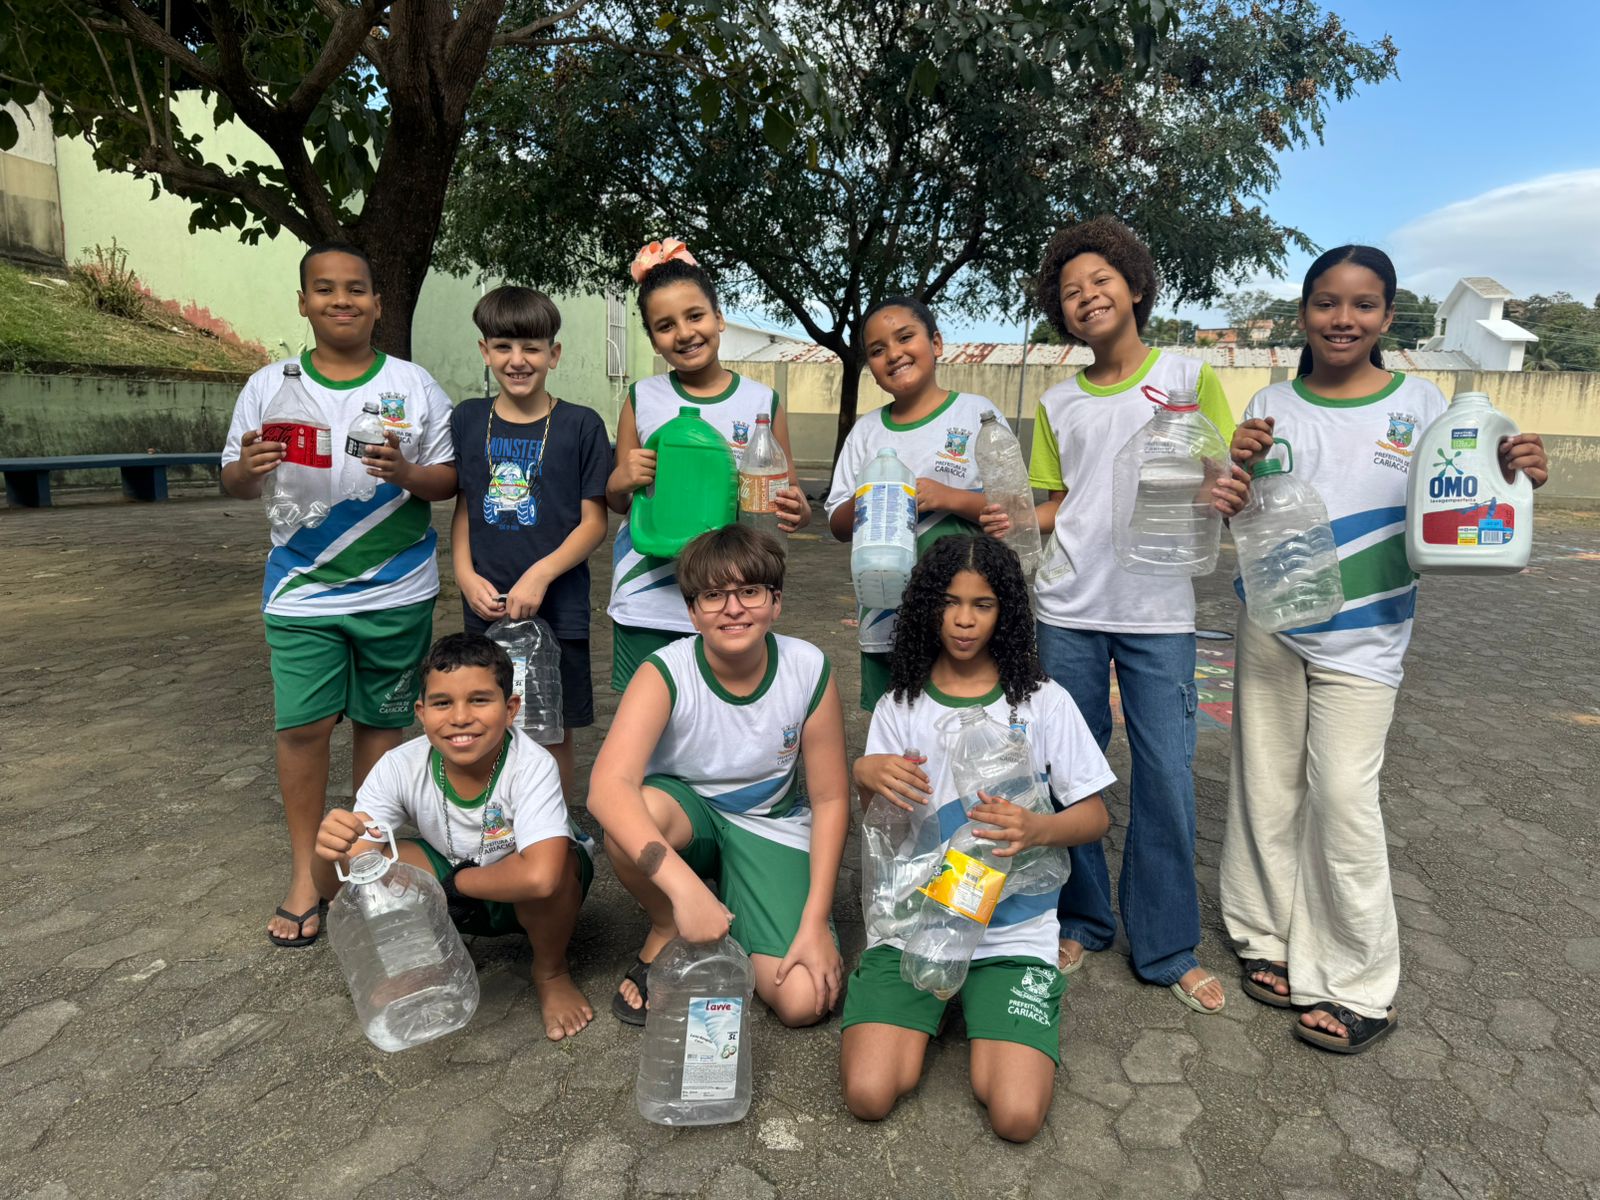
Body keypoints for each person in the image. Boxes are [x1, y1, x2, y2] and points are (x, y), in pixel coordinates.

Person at [1220, 245, 1548, 1053]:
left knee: (1342, 800)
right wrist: (1233, 478)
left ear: (1387, 317)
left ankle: (1362, 983)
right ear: (1303, 314)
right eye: (1326, 303)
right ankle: (1266, 935)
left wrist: (1516, 474)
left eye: (1362, 305)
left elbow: (1465, 497)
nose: (1343, 319)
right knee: (1265, 789)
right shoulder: (1269, 402)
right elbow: (1249, 517)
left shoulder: (1427, 402)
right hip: (1272, 627)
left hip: (1366, 642)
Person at [1026, 216, 1245, 1012]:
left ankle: (1166, 945)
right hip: (1068, 608)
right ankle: (1081, 921)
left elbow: (1221, 479)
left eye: (1100, 282)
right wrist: (1009, 515)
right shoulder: (1058, 401)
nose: (1086, 297)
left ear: (1136, 286)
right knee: (1066, 773)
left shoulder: (1188, 375)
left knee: (1164, 776)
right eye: (1070, 291)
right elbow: (1056, 507)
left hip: (1159, 612)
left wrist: (1229, 491)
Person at [221, 242, 457, 950]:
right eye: (324, 289)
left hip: (397, 588)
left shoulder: (415, 385)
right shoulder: (271, 385)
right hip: (301, 591)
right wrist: (249, 468)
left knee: (382, 731)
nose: (341, 300)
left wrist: (410, 472)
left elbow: (448, 480)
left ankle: (362, 863)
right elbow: (231, 477)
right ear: (303, 301)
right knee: (303, 729)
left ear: (379, 303)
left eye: (356, 289)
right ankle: (304, 873)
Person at [840, 536, 1113, 1142]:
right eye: (950, 602)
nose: (964, 620)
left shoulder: (1041, 701)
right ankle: (929, 1005)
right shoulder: (900, 705)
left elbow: (1095, 817)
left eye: (983, 604)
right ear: (925, 609)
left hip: (1013, 931)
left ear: (1006, 612)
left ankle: (991, 997)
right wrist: (864, 774)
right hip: (918, 924)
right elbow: (883, 830)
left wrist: (1039, 826)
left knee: (1016, 1116)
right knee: (869, 1093)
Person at [588, 524, 847, 1027]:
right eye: (713, 596)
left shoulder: (808, 666)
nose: (733, 608)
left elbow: (833, 800)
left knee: (802, 1002)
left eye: (750, 591)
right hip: (690, 816)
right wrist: (683, 893)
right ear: (691, 611)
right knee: (630, 814)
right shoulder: (664, 671)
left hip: (769, 824)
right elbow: (605, 787)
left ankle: (731, 900)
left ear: (776, 602)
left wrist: (814, 921)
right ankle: (667, 925)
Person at [312, 633, 595, 1040]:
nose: (460, 717)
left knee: (557, 869)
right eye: (443, 703)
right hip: (459, 879)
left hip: (519, 884)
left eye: (479, 700)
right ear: (422, 713)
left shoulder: (533, 765)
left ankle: (551, 972)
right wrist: (327, 854)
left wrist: (453, 885)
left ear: (511, 708)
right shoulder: (397, 766)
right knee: (377, 869)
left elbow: (541, 877)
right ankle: (428, 965)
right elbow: (343, 888)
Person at [605, 239, 811, 691]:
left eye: (695, 316)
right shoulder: (642, 398)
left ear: (719, 319)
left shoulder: (761, 401)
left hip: (732, 599)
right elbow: (621, 499)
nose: (683, 333)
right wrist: (622, 478)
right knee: (645, 716)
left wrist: (797, 509)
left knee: (725, 710)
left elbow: (785, 492)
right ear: (653, 338)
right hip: (648, 597)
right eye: (665, 325)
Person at [449, 286, 610, 803]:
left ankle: (555, 830)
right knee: (485, 717)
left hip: (558, 609)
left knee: (551, 727)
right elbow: (465, 506)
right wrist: (464, 574)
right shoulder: (469, 419)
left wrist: (540, 575)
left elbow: (593, 523)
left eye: (532, 348)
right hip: (486, 607)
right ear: (484, 351)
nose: (517, 361)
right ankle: (495, 823)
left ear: (553, 354)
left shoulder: (581, 424)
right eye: (502, 347)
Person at [824, 296, 1009, 712]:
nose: (893, 354)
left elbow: (1009, 508)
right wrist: (873, 497)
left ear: (937, 343)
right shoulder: (866, 432)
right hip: (885, 607)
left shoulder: (976, 415)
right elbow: (837, 521)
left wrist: (947, 497)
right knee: (896, 718)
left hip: (963, 615)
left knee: (966, 712)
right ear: (870, 368)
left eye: (905, 337)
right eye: (877, 350)